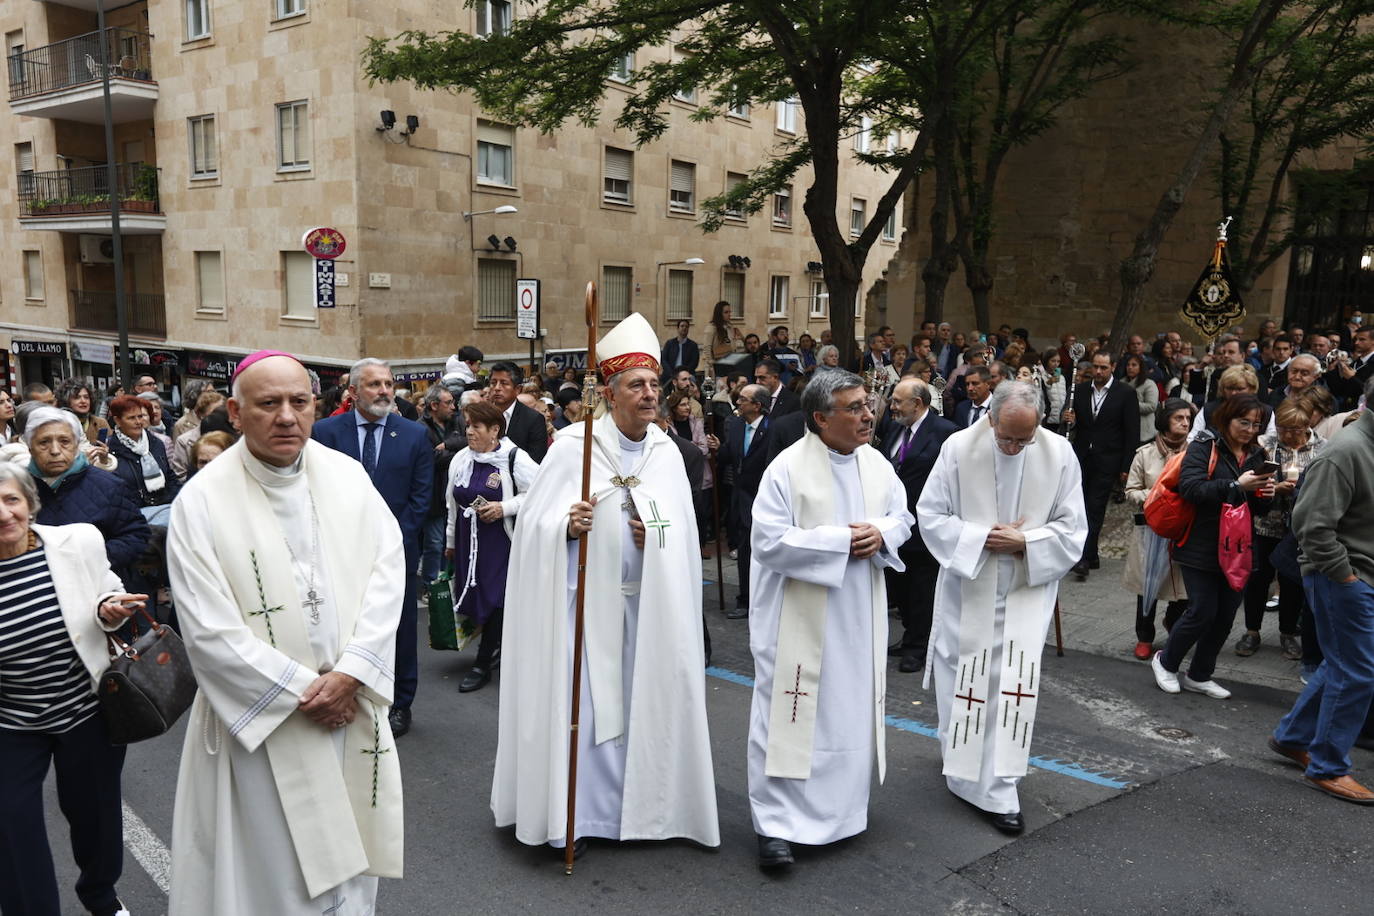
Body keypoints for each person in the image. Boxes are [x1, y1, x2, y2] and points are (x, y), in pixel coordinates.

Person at [166, 351, 406, 914]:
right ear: (235, 410)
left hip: (348, 709)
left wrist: (351, 674)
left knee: (350, 869)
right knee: (273, 878)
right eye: (268, 403)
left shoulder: (346, 475)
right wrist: (306, 692)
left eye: (299, 402)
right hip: (266, 722)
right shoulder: (201, 502)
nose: (286, 417)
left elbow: (388, 571)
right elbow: (207, 629)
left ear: (315, 405)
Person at [492, 312, 719, 856]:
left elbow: (683, 536)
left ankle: (651, 810)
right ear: (610, 393)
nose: (649, 395)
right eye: (637, 385)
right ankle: (582, 814)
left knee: (647, 705)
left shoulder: (667, 454)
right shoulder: (574, 446)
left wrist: (654, 535)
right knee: (587, 713)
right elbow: (534, 530)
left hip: (648, 610)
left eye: (654, 385)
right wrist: (566, 529)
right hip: (581, 609)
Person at [746, 371, 912, 868]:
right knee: (789, 713)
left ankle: (841, 813)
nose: (867, 415)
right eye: (854, 407)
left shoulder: (878, 464)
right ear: (820, 419)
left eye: (868, 404)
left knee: (846, 709)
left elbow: (903, 518)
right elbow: (768, 542)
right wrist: (844, 540)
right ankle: (775, 825)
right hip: (797, 614)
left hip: (857, 614)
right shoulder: (787, 468)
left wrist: (881, 533)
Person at [917, 381, 1087, 835]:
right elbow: (930, 514)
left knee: (1010, 682)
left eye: (1023, 440)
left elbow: (1073, 529)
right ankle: (961, 761)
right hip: (968, 583)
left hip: (1024, 586)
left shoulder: (1059, 454)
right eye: (1005, 437)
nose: (1013, 447)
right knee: (963, 676)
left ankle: (997, 784)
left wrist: (1024, 541)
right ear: (990, 418)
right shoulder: (958, 447)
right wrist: (980, 538)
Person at [0, 461, 147, 916]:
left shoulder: (76, 541)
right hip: (11, 722)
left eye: (11, 500)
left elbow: (106, 590)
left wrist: (109, 609)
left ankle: (101, 897)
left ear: (30, 504)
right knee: (11, 823)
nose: (4, 514)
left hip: (85, 708)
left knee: (95, 817)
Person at [312, 358, 432, 738]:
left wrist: (391, 543)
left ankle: (400, 703)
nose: (384, 391)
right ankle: (348, 693)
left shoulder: (414, 435)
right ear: (352, 391)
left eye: (388, 383)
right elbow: (313, 490)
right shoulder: (325, 433)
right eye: (374, 384)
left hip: (396, 552)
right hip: (338, 551)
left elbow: (420, 498)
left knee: (398, 627)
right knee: (343, 623)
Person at [1268, 404, 1374, 803]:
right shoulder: (1345, 451)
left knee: (1343, 664)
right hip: (1343, 579)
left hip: (1356, 576)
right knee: (1357, 672)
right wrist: (1346, 576)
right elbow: (1310, 525)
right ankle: (1328, 766)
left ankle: (1292, 737)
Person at [1151, 393, 1274, 700]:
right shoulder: (1205, 446)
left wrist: (1266, 493)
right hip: (1201, 542)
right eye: (1243, 422)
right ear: (1227, 418)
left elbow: (1258, 510)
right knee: (1202, 611)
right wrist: (1236, 486)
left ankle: (1199, 674)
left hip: (1239, 547)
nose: (1249, 429)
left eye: (1255, 423)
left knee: (1225, 617)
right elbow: (1191, 488)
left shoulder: (1257, 453)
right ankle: (1166, 662)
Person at [443, 399, 537, 693]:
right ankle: (497, 650)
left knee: (497, 599)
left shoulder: (514, 458)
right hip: (467, 539)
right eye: (467, 425)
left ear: (495, 429)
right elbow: (452, 504)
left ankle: (482, 662)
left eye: (476, 426)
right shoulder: (462, 458)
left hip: (500, 541)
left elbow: (539, 494)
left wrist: (505, 507)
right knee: (474, 594)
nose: (469, 432)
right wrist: (449, 542)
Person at [1236, 399, 1324, 660]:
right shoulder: (1265, 445)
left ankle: (1287, 633)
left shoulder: (1322, 448)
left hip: (1299, 528)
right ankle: (1252, 631)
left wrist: (1294, 490)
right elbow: (1250, 477)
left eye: (1295, 430)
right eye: (1284, 428)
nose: (1288, 435)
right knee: (1258, 579)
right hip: (1265, 524)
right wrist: (1273, 487)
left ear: (1308, 426)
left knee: (1292, 581)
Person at [879, 378, 956, 673]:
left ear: (919, 404)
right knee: (901, 587)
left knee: (922, 589)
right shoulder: (895, 428)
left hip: (926, 527)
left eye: (898, 401)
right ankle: (909, 635)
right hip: (896, 524)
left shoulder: (945, 433)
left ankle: (919, 647)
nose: (892, 407)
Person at [25, 405, 150, 584]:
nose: (55, 450)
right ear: (30, 447)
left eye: (64, 441)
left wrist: (91, 557)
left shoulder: (108, 485)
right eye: (44, 442)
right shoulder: (17, 490)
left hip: (98, 589)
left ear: (76, 445)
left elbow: (137, 535)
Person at [1124, 399, 1194, 659]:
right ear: (1165, 421)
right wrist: (1156, 496)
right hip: (1152, 530)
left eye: (1188, 418)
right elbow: (1130, 490)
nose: (1185, 423)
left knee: (1184, 588)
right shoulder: (1145, 454)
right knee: (1149, 586)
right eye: (1179, 418)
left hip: (1184, 528)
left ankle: (1174, 627)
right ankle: (1144, 636)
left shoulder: (1196, 452)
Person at [1064, 351, 1139, 580]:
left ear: (1113, 367)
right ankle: (1092, 554)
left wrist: (1126, 466)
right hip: (1082, 456)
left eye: (1103, 368)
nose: (1098, 372)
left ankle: (1083, 558)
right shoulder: (1081, 390)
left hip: (1109, 458)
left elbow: (1131, 431)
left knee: (1095, 507)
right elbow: (1072, 421)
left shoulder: (1125, 393)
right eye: (1095, 367)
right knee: (1080, 505)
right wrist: (1070, 419)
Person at [719, 384, 772, 619]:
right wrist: (717, 449)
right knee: (744, 550)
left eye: (743, 399)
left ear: (757, 405)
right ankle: (745, 598)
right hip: (741, 500)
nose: (738, 402)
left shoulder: (773, 429)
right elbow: (729, 454)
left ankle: (766, 600)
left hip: (765, 499)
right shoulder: (737, 425)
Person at [420, 385, 466, 587]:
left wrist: (448, 446)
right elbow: (430, 459)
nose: (453, 407)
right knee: (435, 543)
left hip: (457, 493)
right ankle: (431, 585)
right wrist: (458, 454)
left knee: (453, 541)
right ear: (434, 405)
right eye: (448, 403)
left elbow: (469, 442)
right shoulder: (421, 427)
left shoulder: (457, 421)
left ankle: (450, 581)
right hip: (434, 496)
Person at [105, 394, 180, 514]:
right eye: (131, 418)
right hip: (133, 515)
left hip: (165, 508)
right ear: (117, 420)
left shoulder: (156, 443)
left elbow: (170, 476)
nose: (138, 422)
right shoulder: (110, 451)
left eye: (140, 416)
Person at [482, 361, 549, 463]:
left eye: (504, 383)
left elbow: (535, 460)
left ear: (518, 389)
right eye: (493, 383)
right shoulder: (482, 414)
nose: (497, 388)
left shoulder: (533, 419)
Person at [170, 388, 227, 481]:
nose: (219, 416)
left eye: (222, 412)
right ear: (200, 415)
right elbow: (180, 475)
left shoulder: (236, 435)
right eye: (214, 413)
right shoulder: (184, 441)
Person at [54, 378, 110, 445]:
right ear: (66, 401)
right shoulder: (59, 425)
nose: (83, 401)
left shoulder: (100, 423)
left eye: (86, 397)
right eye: (77, 397)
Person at [1122, 354, 1160, 448]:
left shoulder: (1149, 384)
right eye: (1128, 365)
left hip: (1144, 433)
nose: (1130, 367)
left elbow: (1152, 406)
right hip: (1124, 430)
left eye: (1134, 365)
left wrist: (1130, 405)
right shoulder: (1121, 383)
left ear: (1141, 367)